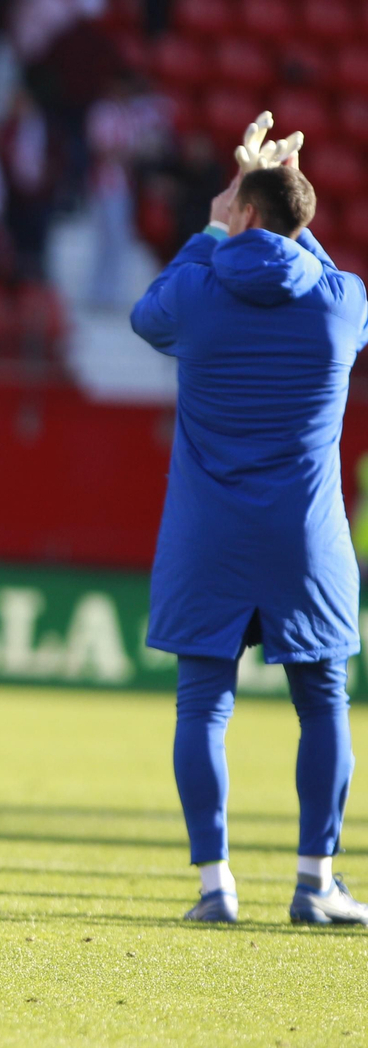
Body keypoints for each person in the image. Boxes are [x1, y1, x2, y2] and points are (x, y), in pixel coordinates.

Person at [131, 156, 368, 925]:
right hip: (305, 537)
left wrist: (210, 226)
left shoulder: (198, 292)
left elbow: (146, 315)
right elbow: (321, 271)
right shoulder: (341, 302)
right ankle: (314, 883)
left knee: (202, 707)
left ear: (246, 214)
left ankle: (215, 887)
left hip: (210, 534)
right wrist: (286, 206)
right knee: (324, 702)